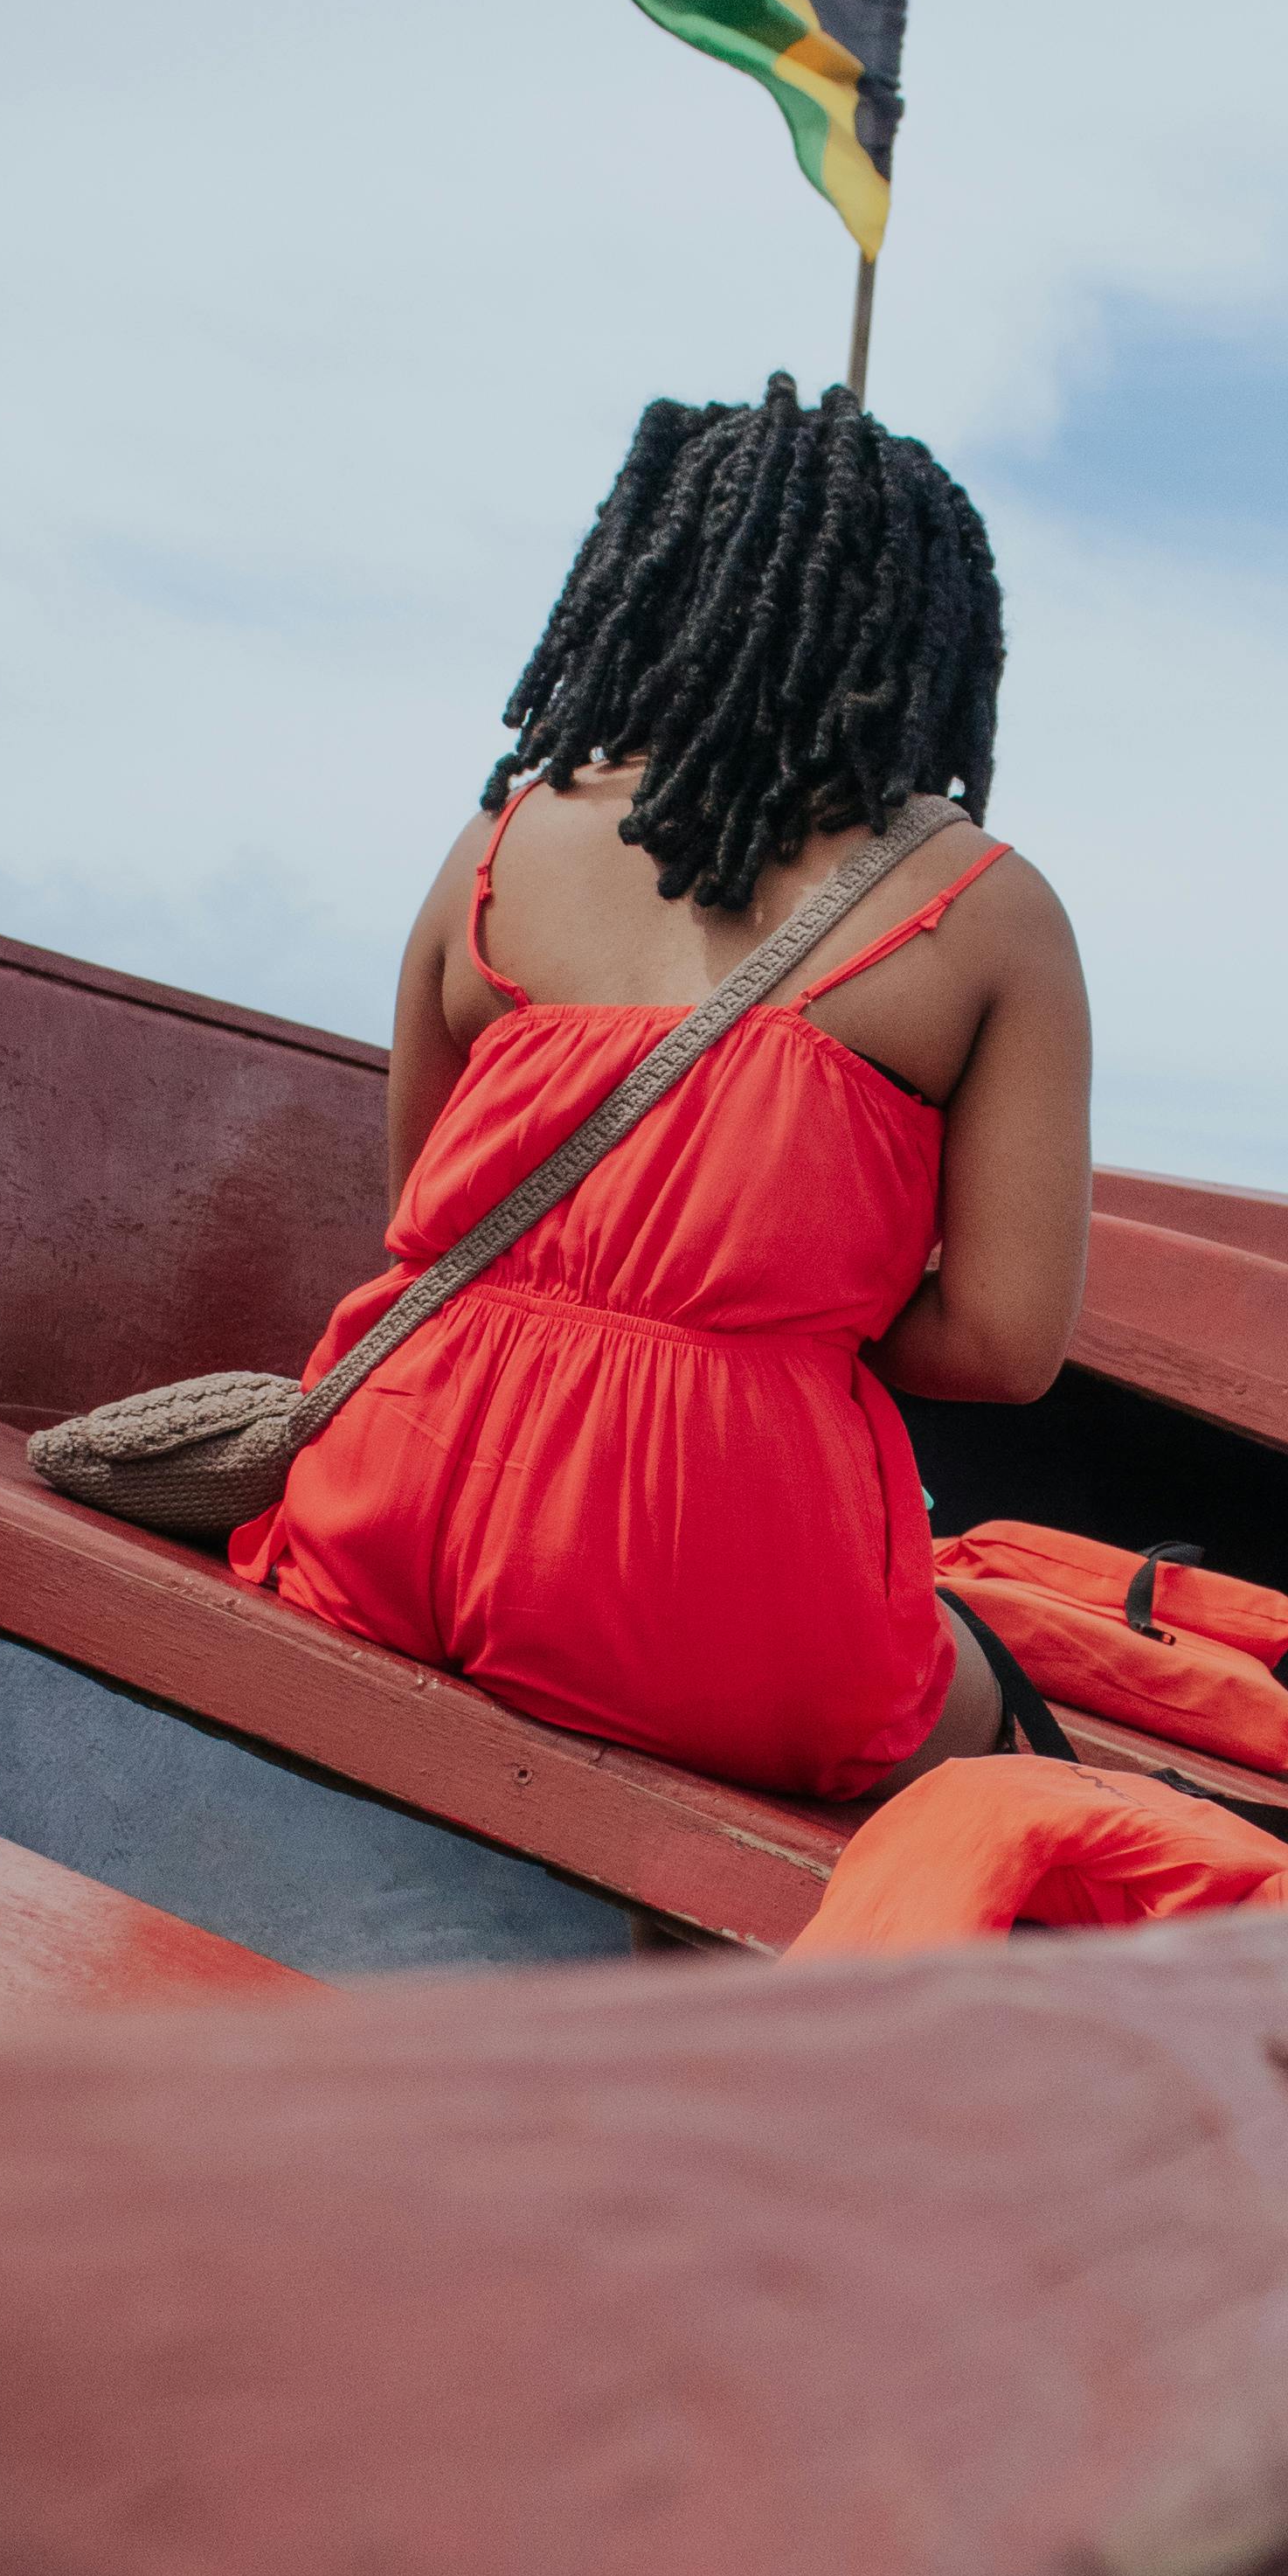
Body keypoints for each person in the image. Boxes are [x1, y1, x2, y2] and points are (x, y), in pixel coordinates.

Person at [233, 374, 1091, 1797]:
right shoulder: (993, 915)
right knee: (1000, 1710)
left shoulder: (500, 840)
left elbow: (423, 1211)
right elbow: (1005, 1346)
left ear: (648, 583)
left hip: (384, 1511)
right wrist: (758, 1328)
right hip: (709, 1558)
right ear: (932, 642)